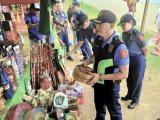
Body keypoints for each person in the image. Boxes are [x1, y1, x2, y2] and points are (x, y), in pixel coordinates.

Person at [82, 10, 129, 120]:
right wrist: (85, 63)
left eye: (101, 24)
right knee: (99, 110)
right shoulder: (99, 38)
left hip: (110, 87)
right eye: (97, 24)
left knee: (115, 114)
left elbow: (124, 74)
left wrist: (100, 77)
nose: (97, 27)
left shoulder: (119, 46)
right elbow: (96, 55)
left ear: (112, 25)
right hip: (97, 82)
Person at [118, 14, 148, 109]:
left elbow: (146, 49)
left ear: (130, 23)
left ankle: (135, 100)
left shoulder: (138, 35)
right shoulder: (124, 33)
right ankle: (129, 95)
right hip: (128, 59)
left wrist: (143, 59)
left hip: (138, 59)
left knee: (137, 80)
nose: (122, 26)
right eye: (121, 25)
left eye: (123, 24)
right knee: (129, 78)